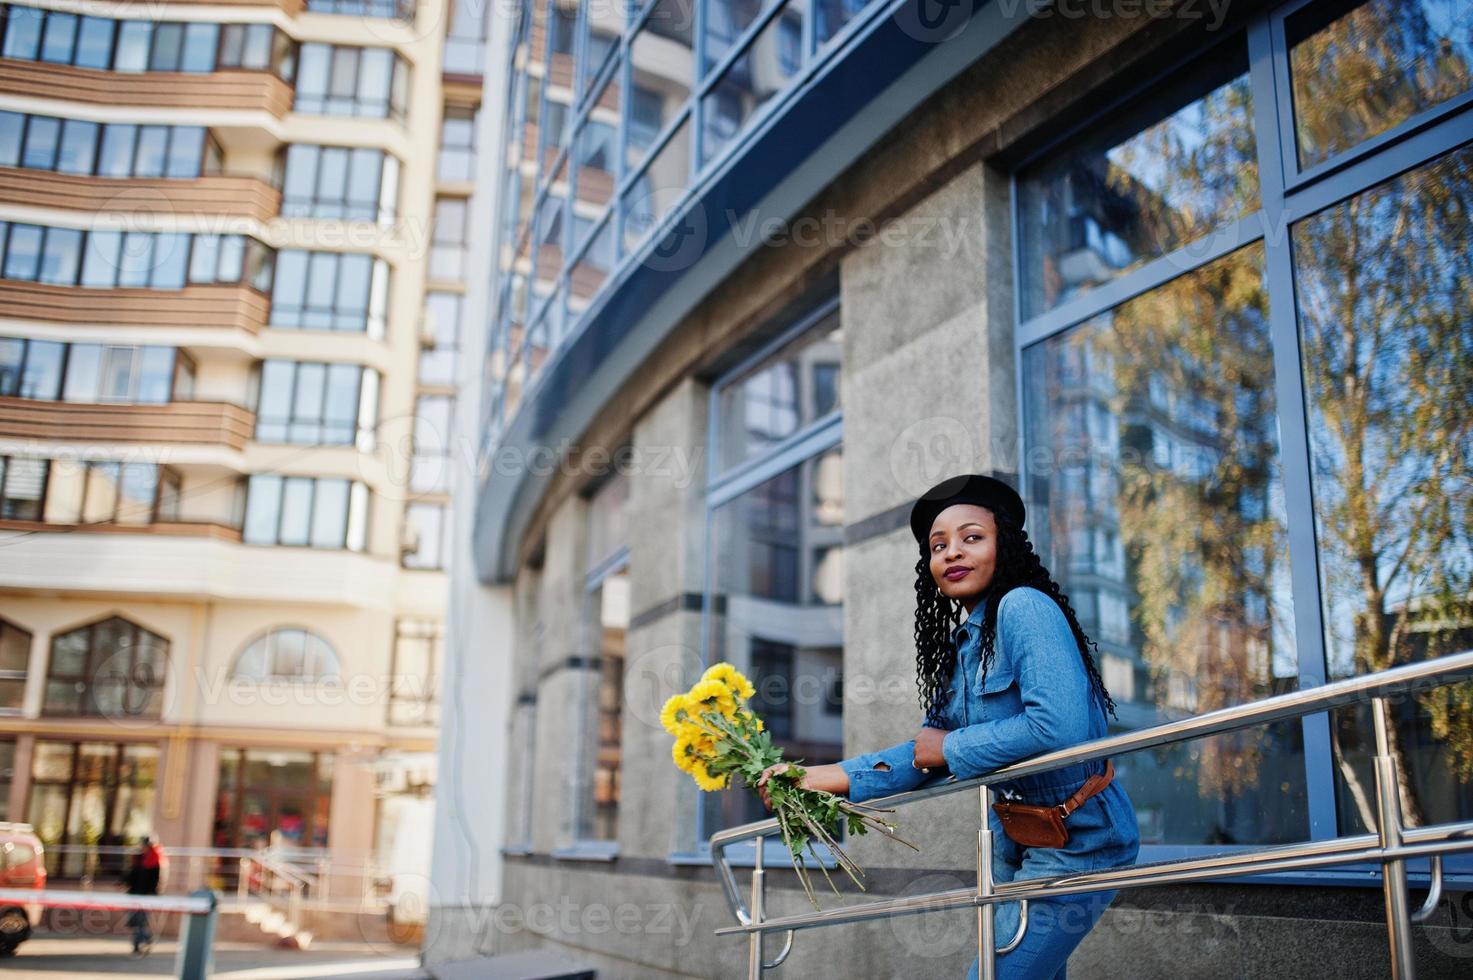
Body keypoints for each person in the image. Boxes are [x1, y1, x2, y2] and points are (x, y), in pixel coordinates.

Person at [759, 473, 1140, 979]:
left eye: (971, 538)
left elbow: (1059, 728)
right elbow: (923, 753)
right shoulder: (962, 647)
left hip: (1082, 840)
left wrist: (948, 747)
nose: (952, 554)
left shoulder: (1023, 606)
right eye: (939, 547)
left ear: (1003, 545)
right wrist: (822, 776)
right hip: (1020, 839)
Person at [123, 835, 165, 954]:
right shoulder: (138, 858)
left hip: (147, 895)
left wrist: (153, 893)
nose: (143, 847)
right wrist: (124, 881)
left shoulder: (156, 860)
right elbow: (131, 873)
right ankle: (147, 937)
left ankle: (137, 945)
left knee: (141, 920)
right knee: (132, 920)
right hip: (135, 893)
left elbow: (158, 880)